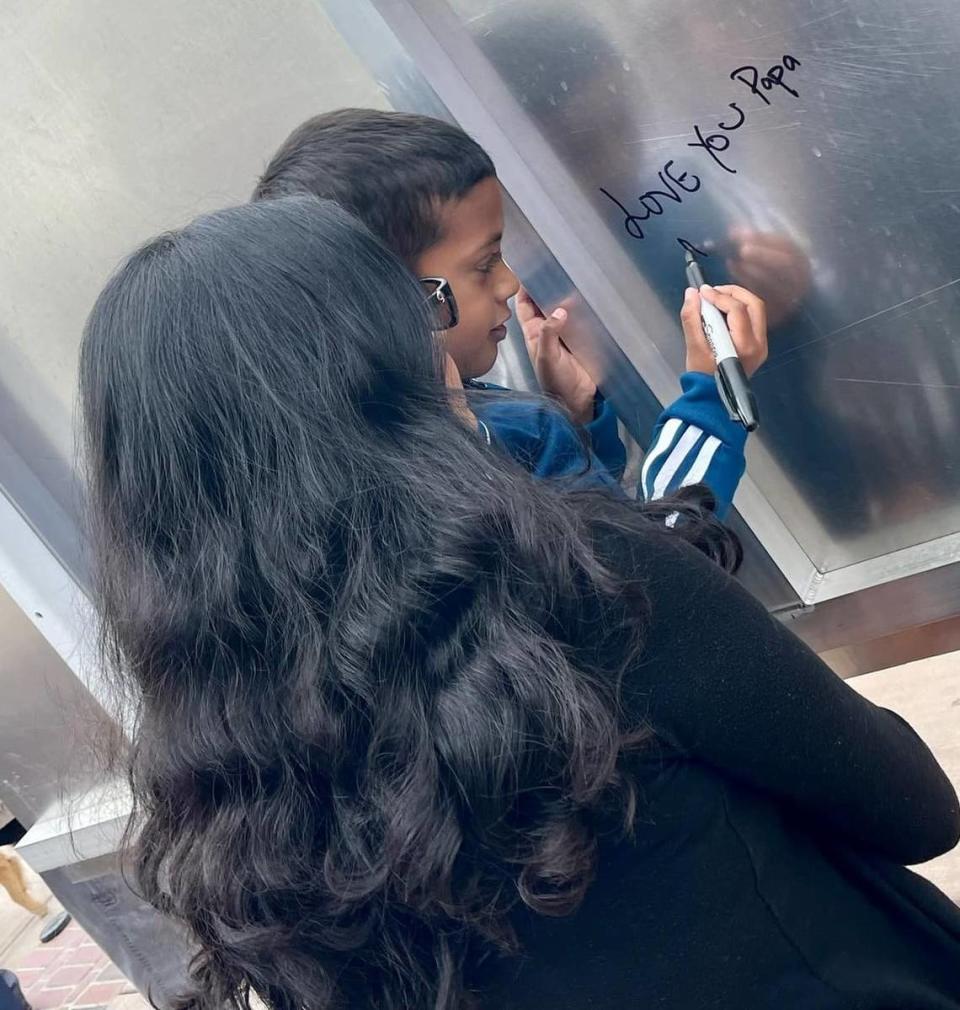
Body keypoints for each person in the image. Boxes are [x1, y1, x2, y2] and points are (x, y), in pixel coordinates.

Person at [81, 196, 960, 1010]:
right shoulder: (585, 577)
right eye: (424, 308)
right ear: (377, 373)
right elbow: (914, 807)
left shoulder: (215, 758)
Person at [253, 109, 767, 517]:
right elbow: (663, 561)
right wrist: (714, 395)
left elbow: (597, 522)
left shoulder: (339, 453)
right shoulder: (467, 451)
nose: (510, 283)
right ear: (388, 297)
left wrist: (575, 420)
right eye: (484, 265)